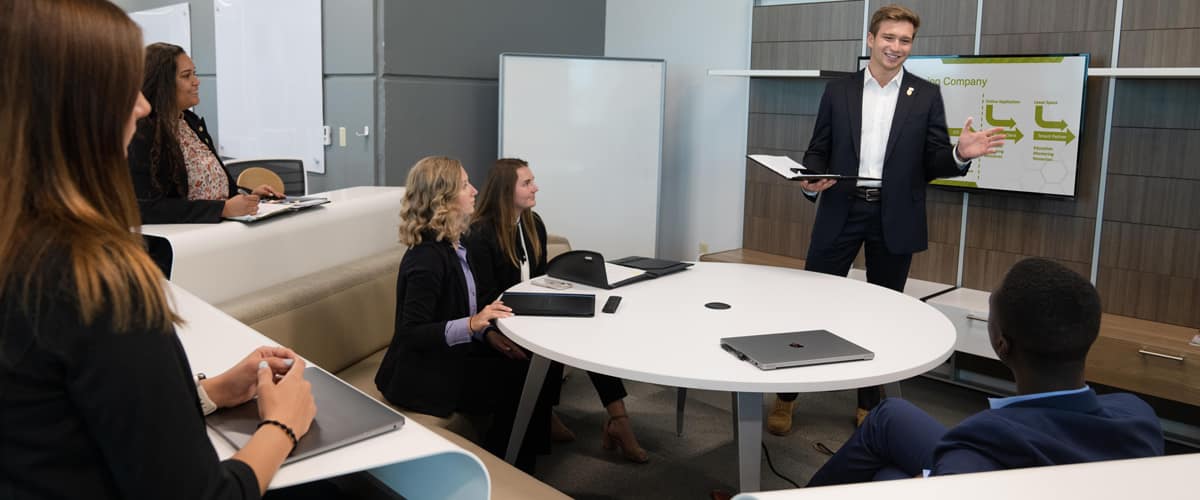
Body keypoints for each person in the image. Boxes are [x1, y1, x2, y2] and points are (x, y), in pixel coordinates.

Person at [0, 1, 316, 499]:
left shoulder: (23, 251)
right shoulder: (95, 284)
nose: (142, 106)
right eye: (123, 86)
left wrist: (205, 395)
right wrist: (283, 425)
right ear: (70, 105)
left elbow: (65, 426)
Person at [768, 3, 1007, 435]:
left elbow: (933, 159)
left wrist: (959, 154)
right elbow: (818, 149)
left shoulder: (926, 94)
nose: (896, 47)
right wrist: (809, 182)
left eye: (905, 40)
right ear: (871, 39)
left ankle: (869, 403)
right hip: (841, 207)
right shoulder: (839, 91)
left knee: (882, 313)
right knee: (810, 304)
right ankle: (786, 396)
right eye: (889, 38)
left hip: (894, 215)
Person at [806, 258, 1163, 486]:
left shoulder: (978, 445)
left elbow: (964, 472)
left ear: (1000, 344)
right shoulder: (1138, 416)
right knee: (890, 416)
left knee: (886, 473)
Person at [464, 158, 650, 463]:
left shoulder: (532, 223)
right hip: (502, 323)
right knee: (553, 344)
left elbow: (538, 278)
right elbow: (484, 299)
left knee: (590, 330)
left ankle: (619, 421)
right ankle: (546, 418)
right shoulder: (481, 235)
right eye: (526, 183)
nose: (535, 187)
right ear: (504, 191)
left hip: (530, 311)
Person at [374, 156, 554, 472]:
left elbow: (467, 311)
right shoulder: (427, 258)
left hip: (451, 356)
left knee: (525, 365)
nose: (474, 191)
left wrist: (487, 332)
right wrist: (473, 324)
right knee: (518, 379)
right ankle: (508, 471)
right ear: (443, 199)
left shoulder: (454, 245)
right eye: (464, 185)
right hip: (419, 375)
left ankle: (518, 461)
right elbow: (411, 332)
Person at [127, 42, 282, 224]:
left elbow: (213, 188)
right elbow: (145, 208)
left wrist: (248, 196)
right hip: (183, 242)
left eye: (194, 73)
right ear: (162, 83)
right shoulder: (142, 133)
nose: (196, 81)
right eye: (186, 76)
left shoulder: (190, 122)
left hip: (216, 232)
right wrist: (222, 209)